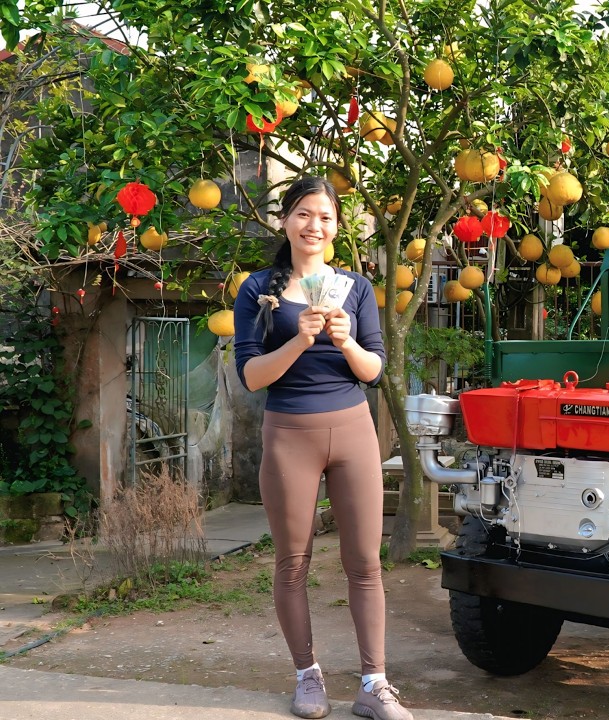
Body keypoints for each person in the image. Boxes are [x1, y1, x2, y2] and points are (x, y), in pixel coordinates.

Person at [233, 175, 412, 720]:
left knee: (365, 564)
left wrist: (345, 340)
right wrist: (299, 338)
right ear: (285, 220)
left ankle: (374, 684)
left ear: (337, 228)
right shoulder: (257, 289)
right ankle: (307, 676)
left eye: (326, 217)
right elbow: (251, 376)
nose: (315, 225)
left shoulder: (356, 288)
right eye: (304, 214)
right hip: (290, 435)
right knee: (293, 563)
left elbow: (376, 370)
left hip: (354, 430)